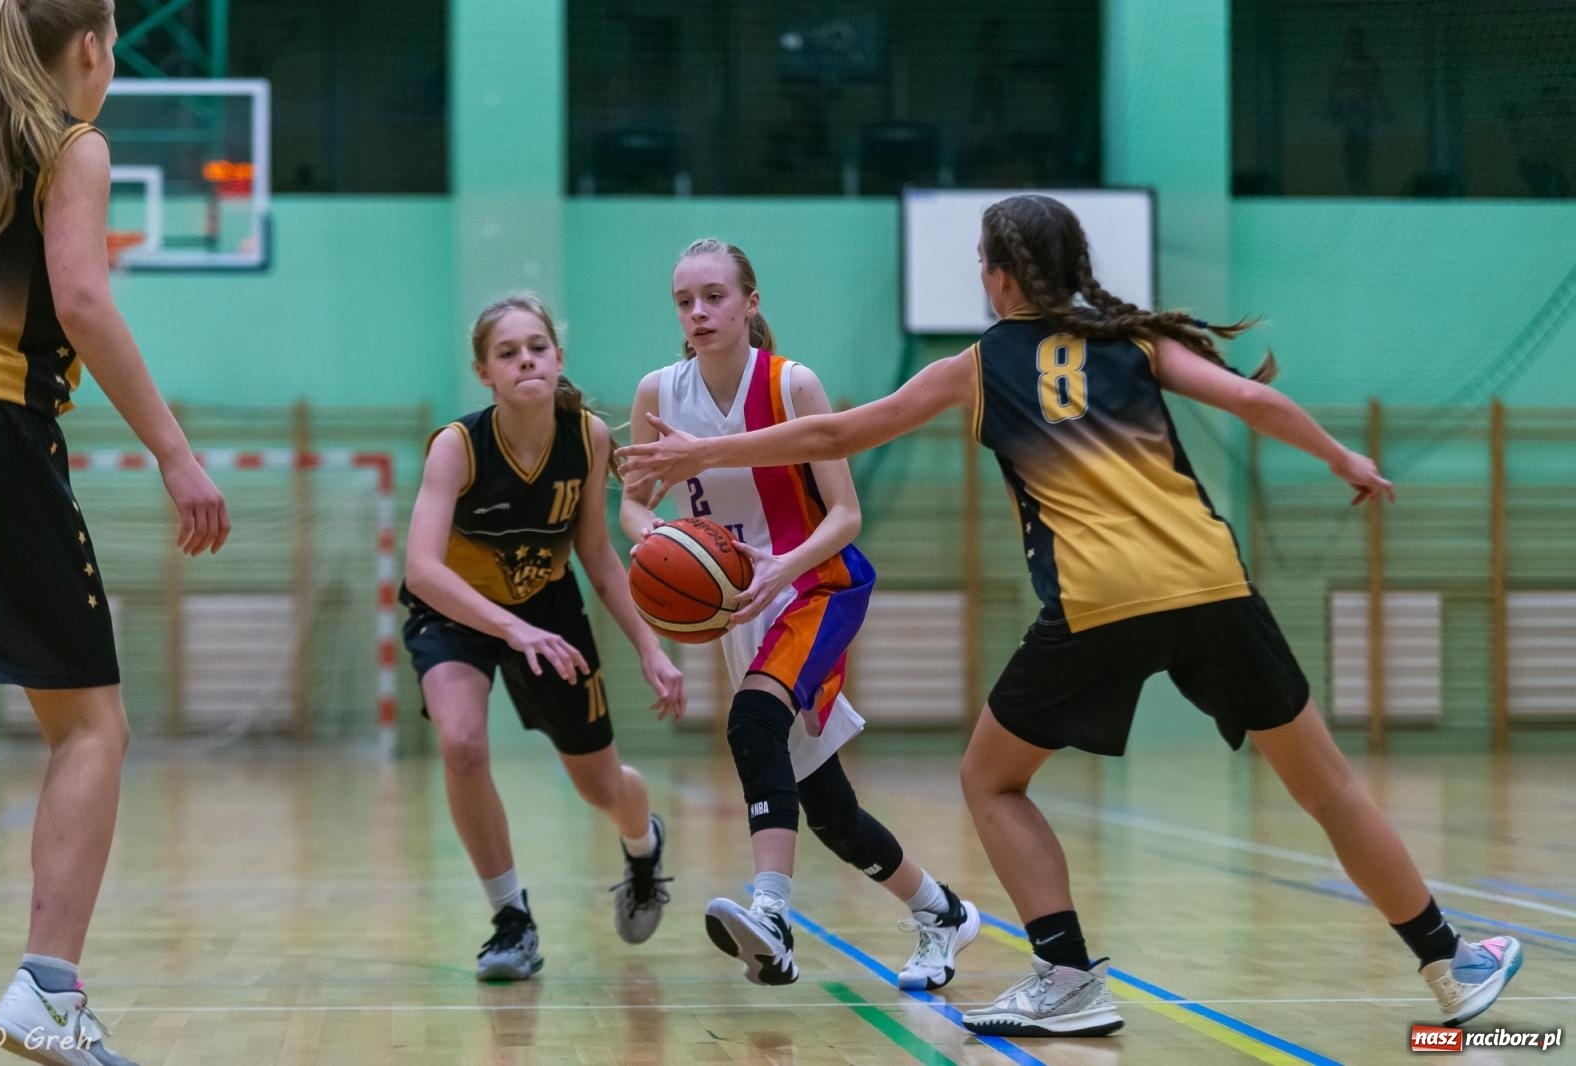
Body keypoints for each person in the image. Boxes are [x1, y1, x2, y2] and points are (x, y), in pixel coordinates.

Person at [617, 196, 1523, 1035]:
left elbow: (832, 436)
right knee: (1329, 790)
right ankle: (1450, 965)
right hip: (1213, 584)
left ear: (1003, 277)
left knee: (991, 780)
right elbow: (1251, 397)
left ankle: (1066, 978)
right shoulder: (1133, 339)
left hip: (1098, 602)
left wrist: (708, 448)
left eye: (981, 262)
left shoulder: (976, 365)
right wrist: (1341, 458)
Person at [619, 238, 980, 990]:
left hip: (816, 586)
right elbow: (631, 503)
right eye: (685, 300)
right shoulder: (658, 392)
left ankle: (773, 918)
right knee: (830, 812)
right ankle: (942, 911)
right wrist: (663, 542)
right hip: (736, 602)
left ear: (750, 302)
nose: (698, 312)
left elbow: (846, 514)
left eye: (714, 296)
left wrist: (782, 565)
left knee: (752, 724)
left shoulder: (792, 385)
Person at [0, 1, 230, 1062]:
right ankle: (46, 986)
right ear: (94, 45)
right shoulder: (68, 143)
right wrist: (175, 451)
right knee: (91, 725)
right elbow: (80, 297)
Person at [400, 292, 685, 982]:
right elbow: (421, 568)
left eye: (536, 346)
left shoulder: (587, 437)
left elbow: (597, 552)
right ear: (484, 372)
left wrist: (649, 646)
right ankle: (511, 919)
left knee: (599, 786)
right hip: (457, 611)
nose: (525, 358)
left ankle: (643, 848)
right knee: (462, 743)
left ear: (557, 358)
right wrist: (507, 626)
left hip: (549, 611)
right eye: (507, 352)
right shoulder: (457, 445)